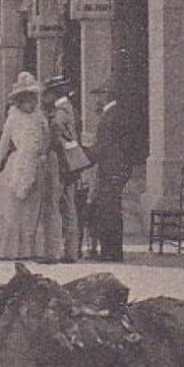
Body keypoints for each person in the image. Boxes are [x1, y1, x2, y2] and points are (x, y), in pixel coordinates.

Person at [0, 72, 69, 260]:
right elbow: (5, 142)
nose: (31, 104)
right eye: (27, 101)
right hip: (18, 164)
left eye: (33, 100)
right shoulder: (13, 119)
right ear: (19, 102)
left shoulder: (40, 118)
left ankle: (34, 249)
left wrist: (44, 154)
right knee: (15, 208)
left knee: (34, 209)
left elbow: (46, 139)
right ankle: (13, 249)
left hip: (38, 165)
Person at [43, 75, 84, 263]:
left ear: (54, 94)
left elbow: (56, 133)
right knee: (69, 207)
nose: (44, 98)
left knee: (53, 206)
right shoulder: (71, 110)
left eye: (47, 94)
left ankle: (52, 252)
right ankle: (71, 251)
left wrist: (50, 147)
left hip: (58, 162)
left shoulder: (59, 113)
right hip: (71, 162)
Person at [89, 83, 131, 263]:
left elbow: (102, 148)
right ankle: (113, 251)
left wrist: (85, 154)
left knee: (108, 211)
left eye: (98, 95)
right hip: (115, 168)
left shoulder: (109, 117)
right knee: (111, 210)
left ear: (106, 95)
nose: (96, 100)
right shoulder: (115, 115)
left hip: (111, 170)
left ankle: (110, 252)